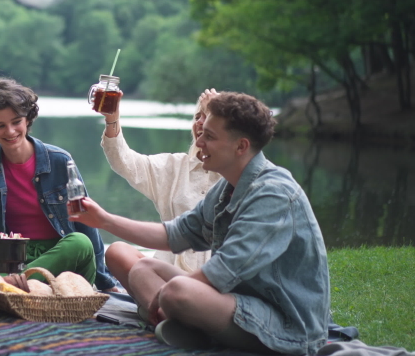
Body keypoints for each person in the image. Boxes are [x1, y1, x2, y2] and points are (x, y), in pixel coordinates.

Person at [70, 92, 330, 355]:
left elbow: (223, 272)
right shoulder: (227, 187)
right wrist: (104, 220)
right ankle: (179, 325)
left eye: (210, 136)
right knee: (143, 268)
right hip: (234, 303)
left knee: (178, 291)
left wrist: (165, 295)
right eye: (201, 130)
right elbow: (176, 234)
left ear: (241, 146)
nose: (200, 142)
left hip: (285, 325)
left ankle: (178, 324)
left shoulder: (272, 194)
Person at [0, 77, 118, 292]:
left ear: (27, 119)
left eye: (16, 122)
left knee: (79, 242)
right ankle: (22, 286)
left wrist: (105, 283)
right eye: (0, 126)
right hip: (10, 258)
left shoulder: (60, 161)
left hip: (60, 258)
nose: (10, 131)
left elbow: (86, 225)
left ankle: (8, 286)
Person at [99, 89, 221, 278]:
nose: (199, 122)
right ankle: (162, 298)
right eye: (197, 116)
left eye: (209, 117)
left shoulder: (236, 173)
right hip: (166, 273)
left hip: (215, 279)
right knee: (117, 251)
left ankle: (163, 300)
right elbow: (124, 161)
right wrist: (112, 119)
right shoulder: (174, 166)